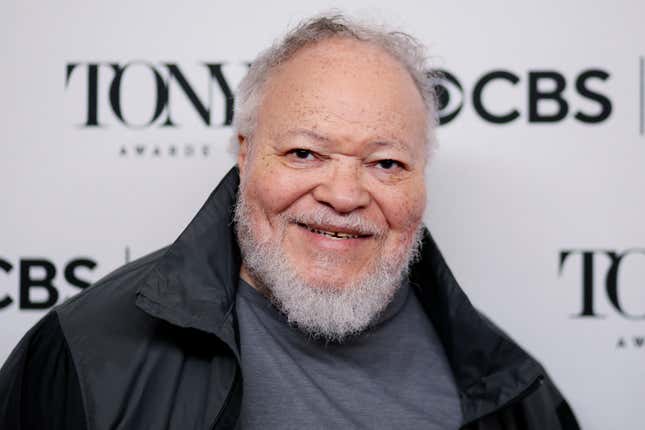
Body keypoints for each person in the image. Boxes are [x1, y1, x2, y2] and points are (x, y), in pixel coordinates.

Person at [0, 13, 579, 430]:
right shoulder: (85, 352)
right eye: (305, 153)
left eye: (385, 163)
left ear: (421, 178)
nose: (344, 194)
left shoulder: (510, 392)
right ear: (245, 154)